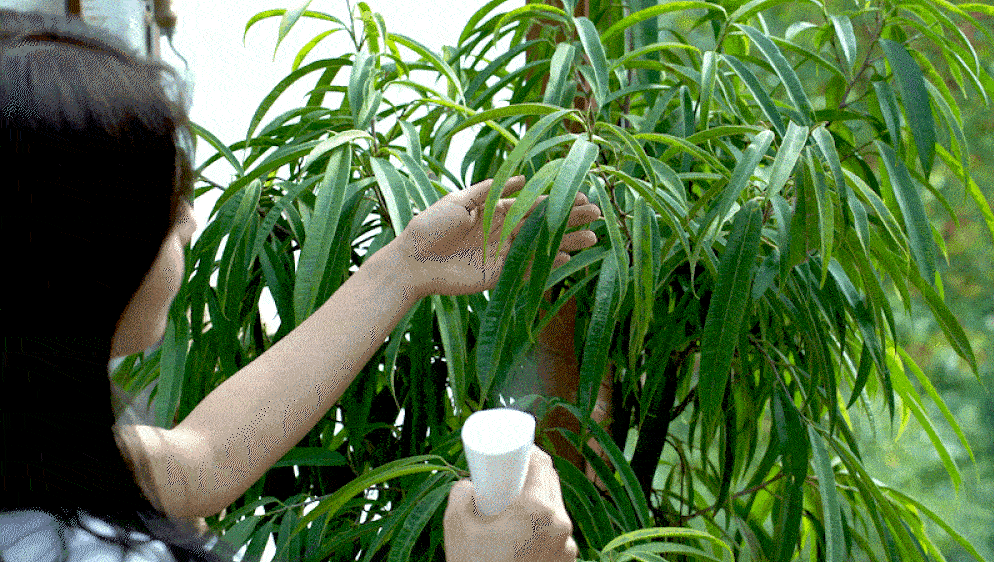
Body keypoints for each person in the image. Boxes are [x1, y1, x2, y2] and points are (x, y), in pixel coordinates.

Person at [1, 8, 604, 562]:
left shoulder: (31, 448)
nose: (189, 220)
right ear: (73, 261)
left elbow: (203, 458)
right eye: (164, 201)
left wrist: (408, 265)